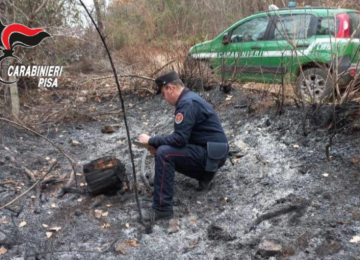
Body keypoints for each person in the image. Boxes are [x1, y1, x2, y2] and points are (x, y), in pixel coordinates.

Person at [138, 71, 228, 223]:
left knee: (164, 153)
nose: (164, 99)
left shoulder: (187, 104)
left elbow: (179, 140)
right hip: (214, 153)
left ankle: (162, 209)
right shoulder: (189, 99)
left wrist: (152, 140)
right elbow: (183, 137)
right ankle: (205, 177)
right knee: (164, 148)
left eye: (163, 94)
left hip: (210, 155)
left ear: (171, 88)